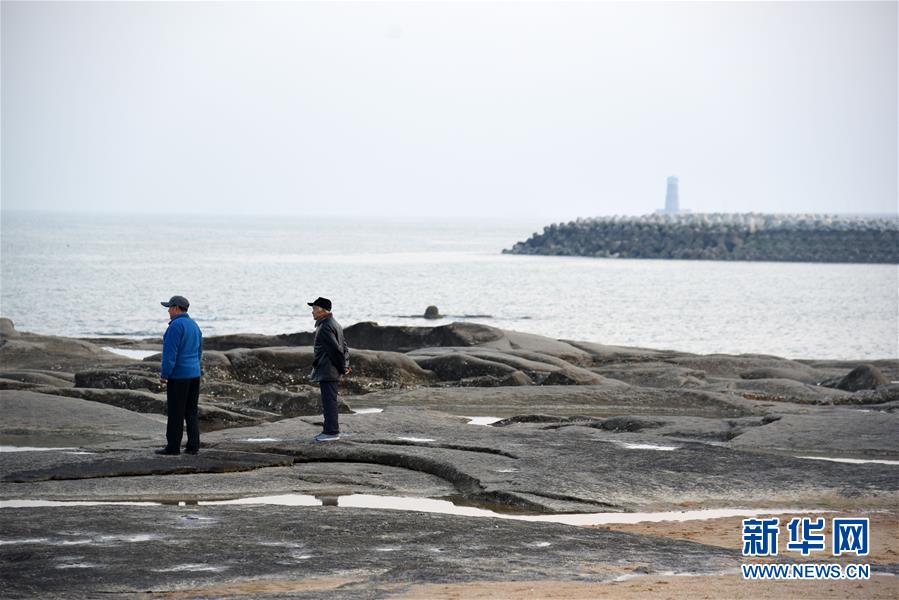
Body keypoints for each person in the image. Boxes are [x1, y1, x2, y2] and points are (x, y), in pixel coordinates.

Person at [156, 295, 203, 456]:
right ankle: (193, 446)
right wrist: (196, 369)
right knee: (191, 411)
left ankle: (173, 447)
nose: (168, 310)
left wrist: (165, 374)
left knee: (176, 412)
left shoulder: (175, 326)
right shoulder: (194, 325)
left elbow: (170, 354)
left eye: (169, 307)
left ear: (176, 308)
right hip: (194, 374)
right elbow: (199, 352)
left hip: (179, 376)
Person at [308, 296, 350, 442]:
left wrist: (343, 367)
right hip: (330, 370)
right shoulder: (334, 324)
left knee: (329, 403)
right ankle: (330, 431)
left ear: (324, 310)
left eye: (315, 309)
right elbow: (344, 347)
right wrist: (345, 365)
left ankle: (331, 432)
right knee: (330, 401)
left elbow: (336, 350)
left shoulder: (325, 326)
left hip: (328, 370)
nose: (312, 312)